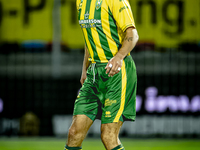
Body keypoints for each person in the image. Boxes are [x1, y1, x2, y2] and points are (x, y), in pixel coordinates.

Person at [64, 0, 139, 149]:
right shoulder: (81, 2)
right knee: (74, 132)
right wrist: (85, 69)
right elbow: (89, 38)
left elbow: (132, 33)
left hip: (117, 72)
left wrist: (119, 57)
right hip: (94, 72)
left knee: (108, 135)